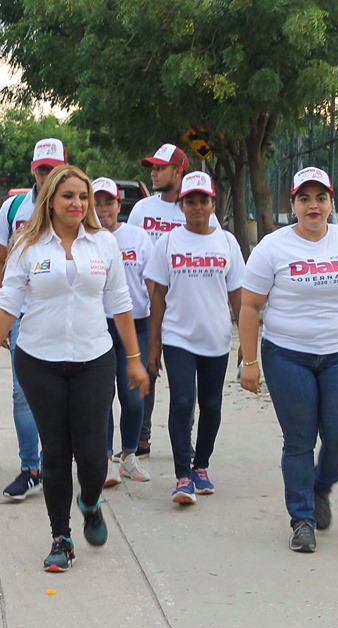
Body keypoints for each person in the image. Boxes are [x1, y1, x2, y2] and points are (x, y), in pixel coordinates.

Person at [0, 165, 149, 572]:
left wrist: (135, 359)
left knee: (92, 455)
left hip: (94, 358)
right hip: (39, 361)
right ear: (50, 199)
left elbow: (120, 303)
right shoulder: (26, 247)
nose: (78, 204)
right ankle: (61, 537)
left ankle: (89, 501)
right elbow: (6, 306)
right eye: (69, 196)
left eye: (83, 197)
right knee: (55, 452)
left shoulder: (104, 245)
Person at [239, 167, 338, 553]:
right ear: (293, 205)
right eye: (305, 199)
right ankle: (302, 519)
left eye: (320, 198)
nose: (313, 206)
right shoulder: (272, 247)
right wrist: (249, 361)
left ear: (331, 203)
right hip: (287, 355)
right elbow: (251, 306)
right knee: (299, 439)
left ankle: (321, 487)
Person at [146, 172, 244, 505]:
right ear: (181, 205)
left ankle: (201, 466)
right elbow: (157, 295)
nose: (197, 207)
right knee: (183, 402)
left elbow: (238, 297)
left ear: (213, 203)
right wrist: (153, 343)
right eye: (191, 201)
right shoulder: (169, 243)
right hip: (178, 338)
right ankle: (182, 476)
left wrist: (247, 340)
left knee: (211, 405)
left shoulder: (227, 243)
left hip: (216, 337)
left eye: (204, 200)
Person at [127, 143, 217, 458]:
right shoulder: (142, 210)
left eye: (160, 168)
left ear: (178, 172)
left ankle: (184, 441)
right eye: (152, 167)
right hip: (146, 306)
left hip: (185, 310)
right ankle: (141, 436)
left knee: (185, 387)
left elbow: (212, 251)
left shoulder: (201, 211)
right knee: (144, 371)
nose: (153, 173)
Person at [0, 138, 67, 500]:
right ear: (33, 170)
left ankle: (59, 460)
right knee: (23, 393)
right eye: (41, 169)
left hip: (65, 313)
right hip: (23, 313)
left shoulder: (73, 205)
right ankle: (30, 468)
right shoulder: (14, 207)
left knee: (67, 391)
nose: (46, 175)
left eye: (53, 169)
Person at [92, 177, 154, 487]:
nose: (103, 209)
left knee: (134, 397)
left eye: (109, 202)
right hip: (98, 325)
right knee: (103, 395)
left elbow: (153, 283)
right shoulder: (84, 237)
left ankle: (129, 455)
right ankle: (105, 460)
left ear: (119, 204)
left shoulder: (138, 237)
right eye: (97, 202)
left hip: (136, 324)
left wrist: (156, 333)